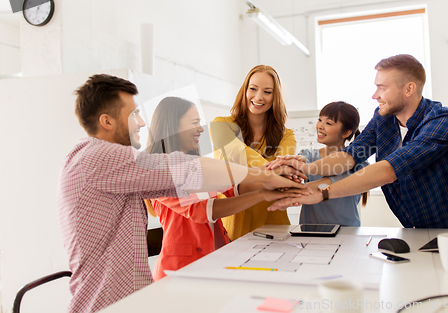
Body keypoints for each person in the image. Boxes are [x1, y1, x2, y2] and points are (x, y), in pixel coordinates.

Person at [56, 74, 305, 313]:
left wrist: (267, 187)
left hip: (136, 300)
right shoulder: (100, 158)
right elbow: (190, 174)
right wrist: (267, 177)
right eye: (133, 115)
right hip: (111, 305)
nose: (142, 122)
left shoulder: (119, 168)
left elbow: (214, 184)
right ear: (107, 121)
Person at [267, 54, 448, 229]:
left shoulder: (443, 120)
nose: (375, 95)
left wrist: (323, 194)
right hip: (416, 228)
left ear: (409, 89)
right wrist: (306, 168)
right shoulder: (384, 119)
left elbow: (390, 169)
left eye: (382, 88)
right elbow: (349, 156)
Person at [144, 97, 307, 280]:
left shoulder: (199, 165)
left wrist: (276, 175)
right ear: (174, 126)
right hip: (181, 271)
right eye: (194, 122)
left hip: (218, 259)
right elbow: (201, 210)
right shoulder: (158, 171)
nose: (200, 129)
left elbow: (233, 187)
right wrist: (263, 192)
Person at [210, 65, 297, 240]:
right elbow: (238, 152)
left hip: (273, 221)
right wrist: (273, 175)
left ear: (275, 97)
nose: (258, 97)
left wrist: (280, 174)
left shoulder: (286, 135)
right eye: (253, 89)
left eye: (267, 91)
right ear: (245, 90)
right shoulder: (220, 125)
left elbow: (285, 167)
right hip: (232, 220)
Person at [297, 101, 369, 226]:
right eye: (320, 120)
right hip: (310, 233)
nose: (320, 126)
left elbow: (341, 180)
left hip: (347, 234)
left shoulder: (360, 164)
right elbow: (300, 162)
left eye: (328, 123)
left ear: (346, 132)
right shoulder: (309, 155)